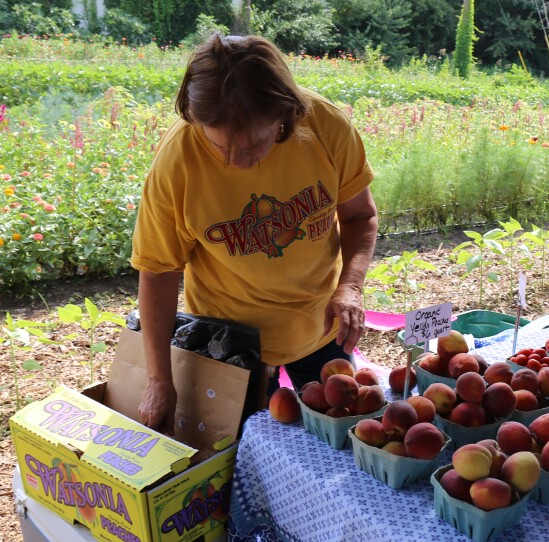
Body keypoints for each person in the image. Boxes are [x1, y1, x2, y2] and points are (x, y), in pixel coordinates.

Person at [130, 34, 378, 435]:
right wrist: (160, 379)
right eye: (221, 148)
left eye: (257, 145)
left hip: (319, 327)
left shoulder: (325, 125)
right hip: (226, 343)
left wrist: (350, 287)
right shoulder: (177, 162)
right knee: (234, 465)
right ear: (196, 120)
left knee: (333, 455)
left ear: (286, 113)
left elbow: (360, 216)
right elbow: (158, 270)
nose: (240, 163)